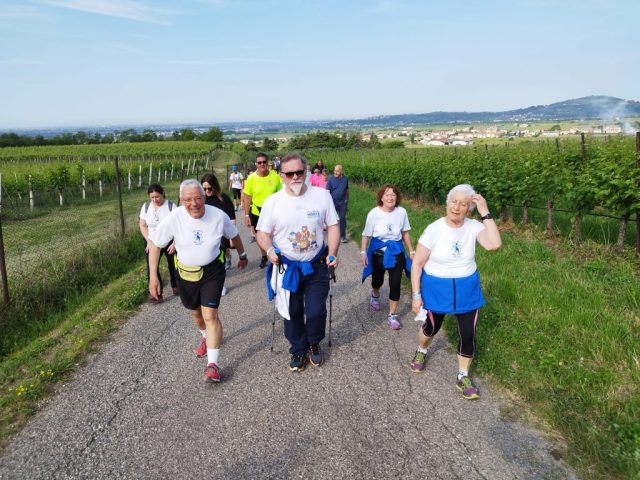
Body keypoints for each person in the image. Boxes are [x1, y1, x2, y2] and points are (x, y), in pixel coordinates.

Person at [148, 179, 249, 383]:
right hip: (186, 274)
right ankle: (205, 336)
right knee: (196, 313)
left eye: (197, 198)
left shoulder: (218, 216)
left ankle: (213, 365)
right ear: (181, 200)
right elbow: (155, 244)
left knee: (210, 314)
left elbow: (234, 235)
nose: (193, 204)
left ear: (204, 197)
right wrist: (153, 276)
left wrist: (243, 255)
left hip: (212, 271)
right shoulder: (175, 217)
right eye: (188, 200)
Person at [409, 184, 502, 400]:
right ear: (447, 203)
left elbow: (494, 244)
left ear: (469, 208)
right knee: (431, 328)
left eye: (463, 204)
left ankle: (463, 376)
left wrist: (485, 212)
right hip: (437, 287)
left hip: (466, 287)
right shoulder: (434, 229)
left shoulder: (474, 226)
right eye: (454, 202)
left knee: (468, 333)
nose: (457, 207)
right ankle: (422, 350)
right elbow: (417, 264)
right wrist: (416, 295)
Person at [256, 153, 340, 372]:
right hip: (287, 267)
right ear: (281, 175)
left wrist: (332, 252)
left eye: (299, 172)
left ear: (306, 172)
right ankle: (298, 349)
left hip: (317, 263)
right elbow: (262, 233)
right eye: (289, 173)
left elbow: (333, 226)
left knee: (315, 310)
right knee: (292, 311)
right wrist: (269, 249)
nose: (295, 177)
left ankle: (314, 342)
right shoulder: (273, 202)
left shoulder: (322, 196)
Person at [361, 184, 413, 330]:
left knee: (395, 283)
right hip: (378, 252)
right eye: (387, 195)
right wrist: (363, 252)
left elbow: (405, 233)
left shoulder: (402, 212)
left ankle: (392, 315)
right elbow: (366, 234)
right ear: (381, 198)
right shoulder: (374, 213)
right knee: (377, 280)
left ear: (397, 197)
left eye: (393, 195)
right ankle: (375, 293)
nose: (390, 198)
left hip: (396, 251)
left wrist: (411, 250)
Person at [139, 184, 178, 301]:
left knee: (173, 265)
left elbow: (178, 226)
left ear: (163, 193)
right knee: (152, 267)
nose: (155, 200)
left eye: (157, 197)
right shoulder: (146, 207)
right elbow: (143, 225)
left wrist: (175, 243)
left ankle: (176, 286)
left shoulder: (171, 206)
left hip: (169, 240)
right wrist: (148, 240)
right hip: (151, 241)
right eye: (152, 197)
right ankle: (156, 293)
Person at [243, 152, 282, 268]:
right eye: (259, 162)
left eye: (264, 162)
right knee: (260, 237)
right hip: (256, 211)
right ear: (256, 164)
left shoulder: (275, 176)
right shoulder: (251, 178)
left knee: (275, 235)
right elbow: (247, 197)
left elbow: (281, 195)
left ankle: (277, 255)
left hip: (273, 212)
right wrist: (246, 215)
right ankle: (264, 256)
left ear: (267, 162)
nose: (262, 164)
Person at [201, 173, 236, 295]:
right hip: (206, 235)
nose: (207, 191)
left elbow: (232, 218)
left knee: (219, 261)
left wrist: (232, 237)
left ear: (215, 186)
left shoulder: (224, 199)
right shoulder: (201, 200)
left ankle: (220, 285)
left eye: (209, 188)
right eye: (204, 189)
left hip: (221, 234)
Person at [326, 164, 349, 243]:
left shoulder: (345, 179)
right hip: (333, 203)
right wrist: (328, 203)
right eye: (334, 171)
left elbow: (347, 190)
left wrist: (346, 199)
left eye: (337, 171)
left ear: (341, 171)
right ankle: (333, 237)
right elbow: (327, 192)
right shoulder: (331, 179)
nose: (335, 172)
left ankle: (342, 237)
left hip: (343, 203)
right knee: (333, 220)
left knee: (342, 218)